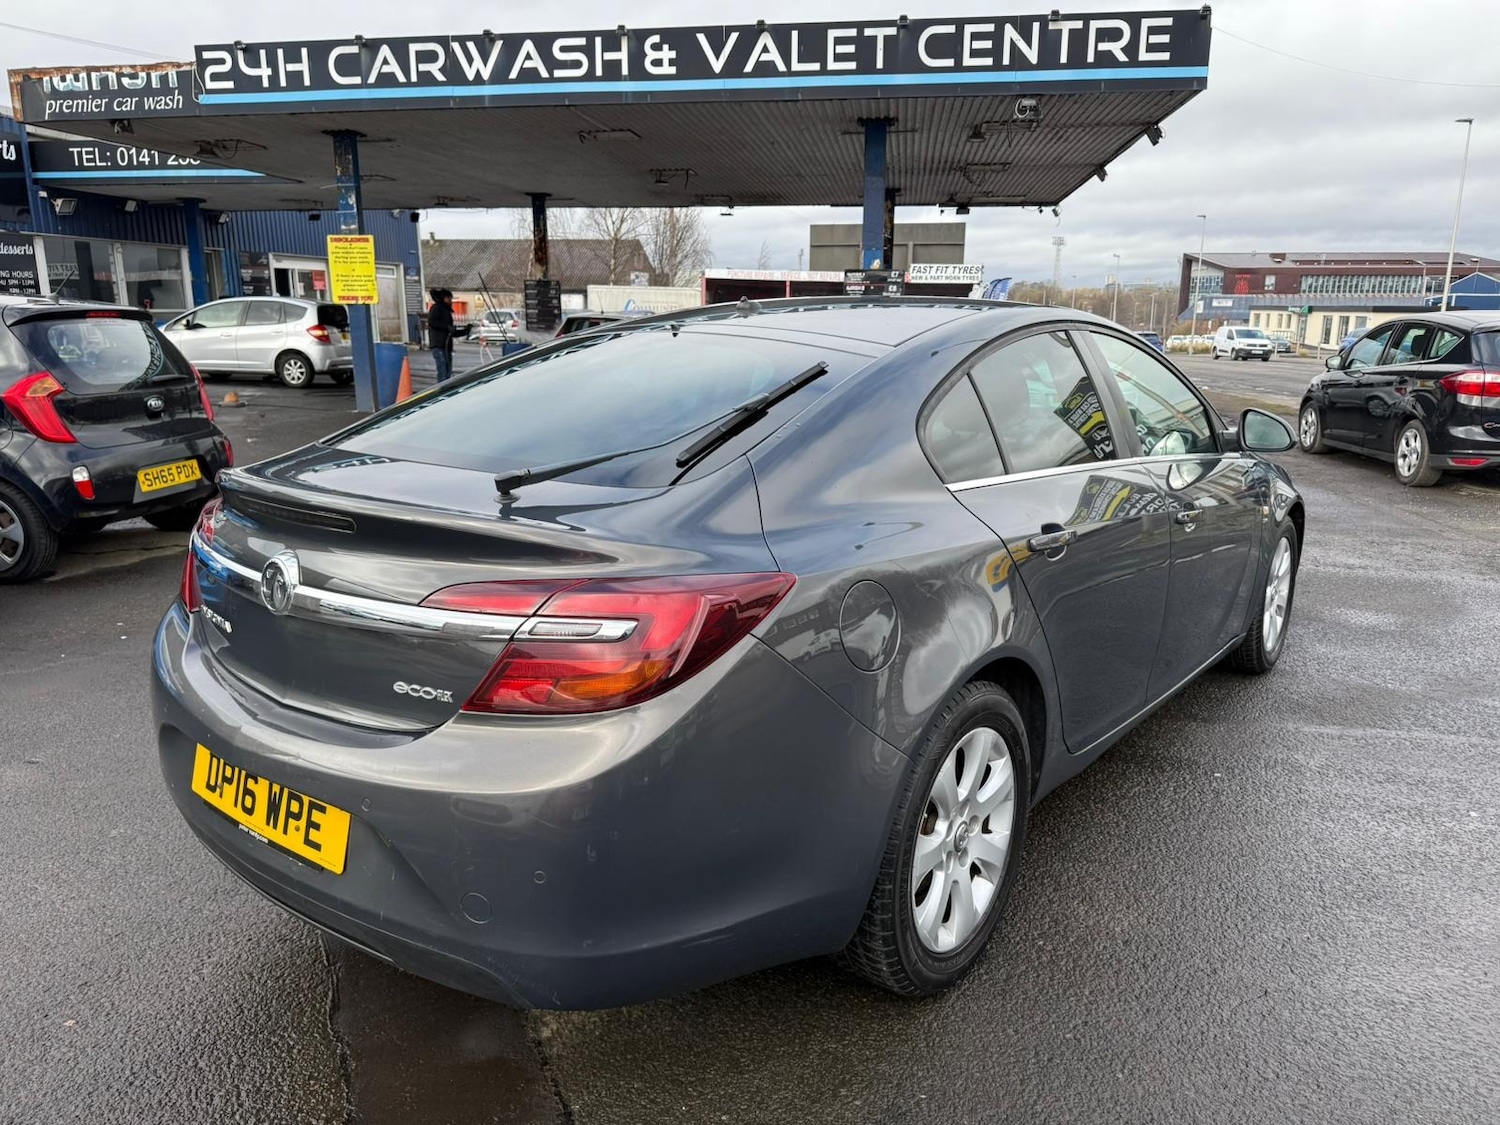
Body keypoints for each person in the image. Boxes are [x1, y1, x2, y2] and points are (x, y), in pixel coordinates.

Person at [427, 288, 464, 383]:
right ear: (444, 298)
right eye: (449, 298)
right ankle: (441, 392)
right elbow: (432, 322)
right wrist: (447, 327)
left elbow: (450, 332)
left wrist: (465, 331)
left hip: (446, 346)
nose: (451, 301)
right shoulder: (437, 308)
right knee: (443, 372)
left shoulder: (446, 311)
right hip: (439, 345)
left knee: (447, 372)